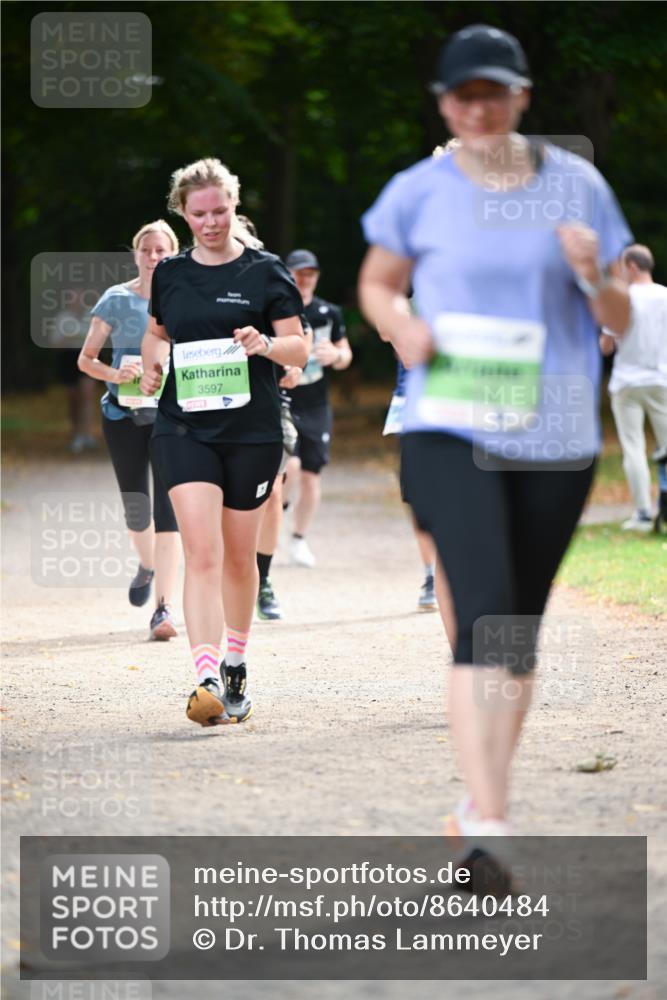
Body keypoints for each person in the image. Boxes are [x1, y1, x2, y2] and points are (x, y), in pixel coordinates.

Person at [359, 23, 632, 849]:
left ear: (520, 96)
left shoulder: (577, 186)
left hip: (553, 433)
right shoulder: (419, 190)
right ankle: (492, 828)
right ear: (444, 104)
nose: (476, 108)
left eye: (492, 92)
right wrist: (400, 326)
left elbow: (619, 315)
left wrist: (592, 275)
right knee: (479, 614)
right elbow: (376, 283)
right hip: (448, 423)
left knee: (515, 630)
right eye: (460, 94)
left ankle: (480, 806)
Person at [139, 158, 309, 727]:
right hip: (183, 427)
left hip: (252, 432)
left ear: (234, 206)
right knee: (202, 552)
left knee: (240, 558)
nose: (210, 222)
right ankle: (206, 676)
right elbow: (157, 332)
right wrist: (151, 365)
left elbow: (299, 350)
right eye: (199, 214)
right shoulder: (171, 273)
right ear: (182, 214)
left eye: (220, 211)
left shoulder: (267, 272)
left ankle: (236, 661)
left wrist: (264, 344)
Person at [77, 221, 181, 640]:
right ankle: (148, 562)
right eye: (147, 250)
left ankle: (163, 608)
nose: (154, 257)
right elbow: (86, 360)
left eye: (162, 251)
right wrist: (116, 373)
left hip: (173, 419)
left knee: (169, 511)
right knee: (138, 511)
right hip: (123, 417)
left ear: (173, 253)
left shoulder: (183, 296)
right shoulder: (116, 299)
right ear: (136, 254)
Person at [282, 249, 353, 567]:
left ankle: (299, 539)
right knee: (289, 468)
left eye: (310, 272)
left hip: (315, 403)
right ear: (289, 274)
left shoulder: (329, 312)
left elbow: (345, 353)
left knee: (311, 476)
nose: (305, 278)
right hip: (284, 397)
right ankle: (276, 511)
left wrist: (336, 357)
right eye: (299, 272)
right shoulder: (279, 308)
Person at [599, 244, 667, 531]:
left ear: (632, 267)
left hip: (627, 382)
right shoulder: (665, 295)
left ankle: (642, 513)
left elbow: (606, 345)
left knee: (633, 448)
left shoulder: (623, 297)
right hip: (662, 379)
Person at [51, 289, 98, 454]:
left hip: (87, 357)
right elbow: (55, 343)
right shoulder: (62, 318)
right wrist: (68, 338)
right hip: (68, 359)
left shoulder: (90, 316)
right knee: (73, 399)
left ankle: (86, 434)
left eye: (76, 297)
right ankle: (76, 433)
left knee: (87, 396)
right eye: (71, 297)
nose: (74, 300)